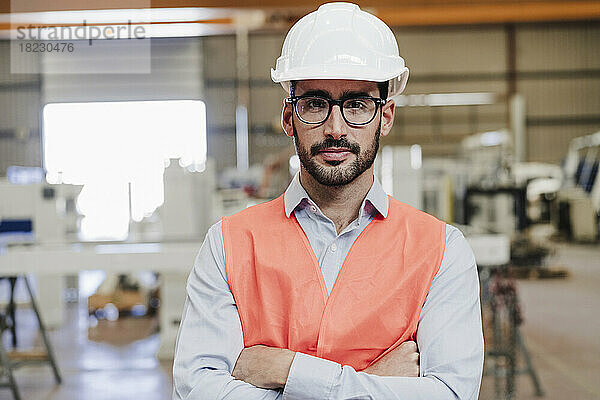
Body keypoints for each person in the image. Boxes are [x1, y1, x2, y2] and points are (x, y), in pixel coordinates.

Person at [173, 2, 484, 399]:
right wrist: (375, 379)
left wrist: (284, 369)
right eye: (315, 103)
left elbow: (450, 395)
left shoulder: (442, 251)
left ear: (385, 116)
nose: (335, 129)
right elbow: (198, 390)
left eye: (356, 104)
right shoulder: (228, 245)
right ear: (289, 118)